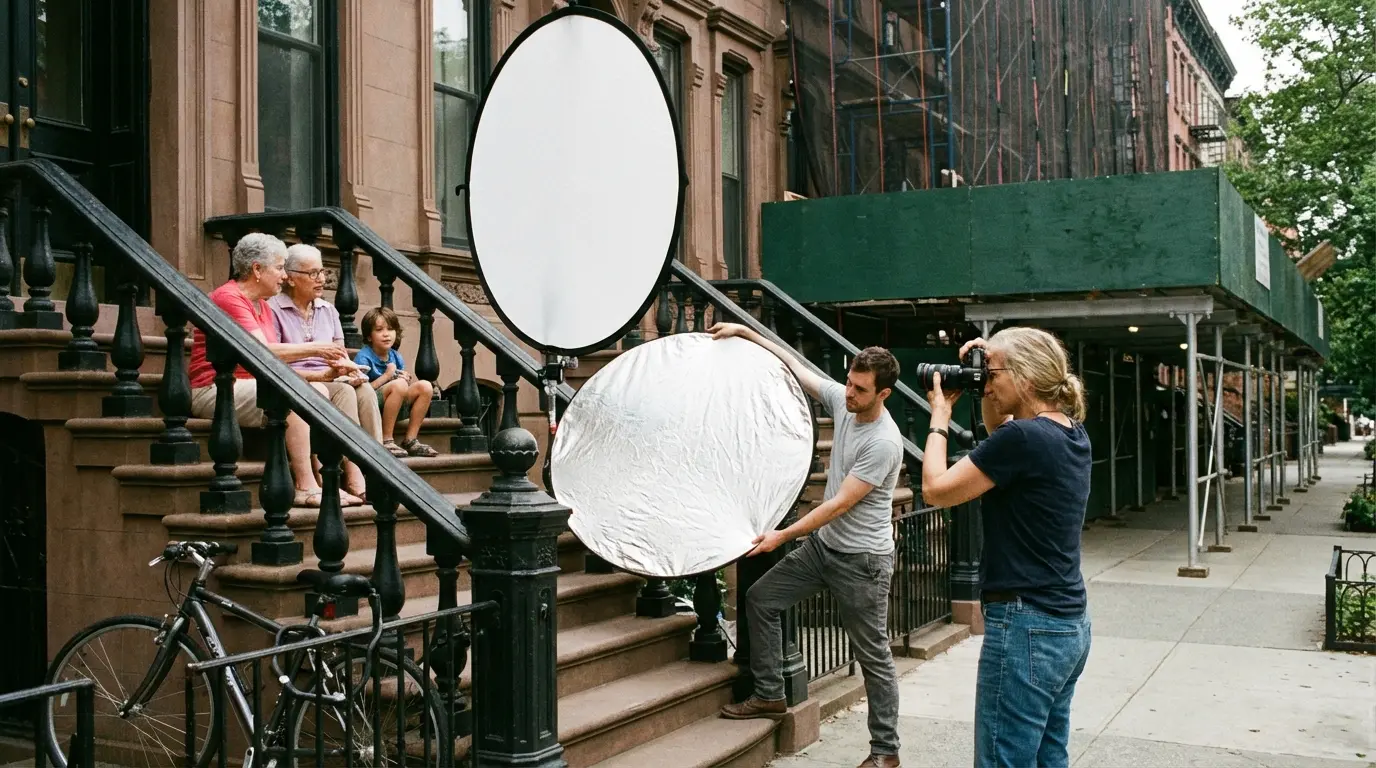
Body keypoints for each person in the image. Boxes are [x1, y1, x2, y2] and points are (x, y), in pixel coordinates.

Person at [709, 322, 905, 768]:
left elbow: (837, 504)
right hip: (824, 550)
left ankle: (885, 752)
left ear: (884, 394)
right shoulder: (843, 402)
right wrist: (746, 333)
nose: (849, 394)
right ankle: (770, 694)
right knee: (760, 599)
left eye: (860, 390)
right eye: (850, 383)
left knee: (873, 656)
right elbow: (795, 368)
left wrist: (781, 535)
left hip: (862, 563)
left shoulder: (884, 443)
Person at [919, 328, 1093, 768]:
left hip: (1025, 626)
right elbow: (998, 429)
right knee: (1048, 759)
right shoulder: (1071, 434)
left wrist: (939, 416)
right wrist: (986, 374)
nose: (986, 381)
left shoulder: (1024, 440)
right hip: (1067, 625)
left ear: (1026, 379)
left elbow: (935, 490)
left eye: (992, 373)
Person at [188, 233, 351, 508]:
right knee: (294, 396)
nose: (285, 277)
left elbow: (271, 366)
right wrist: (319, 349)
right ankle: (304, 485)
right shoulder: (230, 298)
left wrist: (320, 375)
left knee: (318, 389)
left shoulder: (261, 304)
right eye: (279, 267)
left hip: (248, 385)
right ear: (256, 269)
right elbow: (261, 352)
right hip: (214, 389)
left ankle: (319, 479)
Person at [269, 243, 386, 503]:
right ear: (290, 276)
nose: (321, 279)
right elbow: (275, 359)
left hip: (332, 377)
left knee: (364, 389)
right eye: (313, 273)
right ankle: (353, 474)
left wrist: (350, 369)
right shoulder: (274, 309)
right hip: (301, 380)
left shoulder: (328, 309)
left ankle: (379, 465)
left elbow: (340, 353)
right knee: (344, 391)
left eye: (322, 272)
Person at [354, 307, 438, 458]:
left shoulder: (396, 356)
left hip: (394, 405)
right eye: (379, 330)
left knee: (425, 386)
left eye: (391, 329)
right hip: (371, 406)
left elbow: (400, 385)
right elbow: (361, 392)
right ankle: (387, 440)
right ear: (369, 336)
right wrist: (387, 376)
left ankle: (410, 440)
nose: (386, 334)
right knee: (398, 385)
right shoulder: (363, 357)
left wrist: (403, 378)